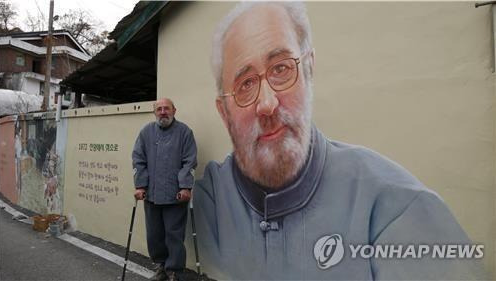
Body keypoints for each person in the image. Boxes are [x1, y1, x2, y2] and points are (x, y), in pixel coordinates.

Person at [193, 2, 487, 280]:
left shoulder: (399, 209)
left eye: (281, 69)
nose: (267, 103)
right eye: (245, 85)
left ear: (309, 69)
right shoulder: (212, 198)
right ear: (224, 112)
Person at [132, 98, 197, 281]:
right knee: (154, 235)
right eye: (158, 109)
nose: (162, 112)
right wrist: (140, 185)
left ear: (174, 111)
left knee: (174, 236)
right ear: (154, 112)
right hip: (151, 195)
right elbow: (138, 159)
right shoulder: (146, 133)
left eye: (166, 108)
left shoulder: (184, 132)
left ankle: (175, 271)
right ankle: (161, 267)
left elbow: (189, 161)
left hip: (175, 196)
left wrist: (185, 186)